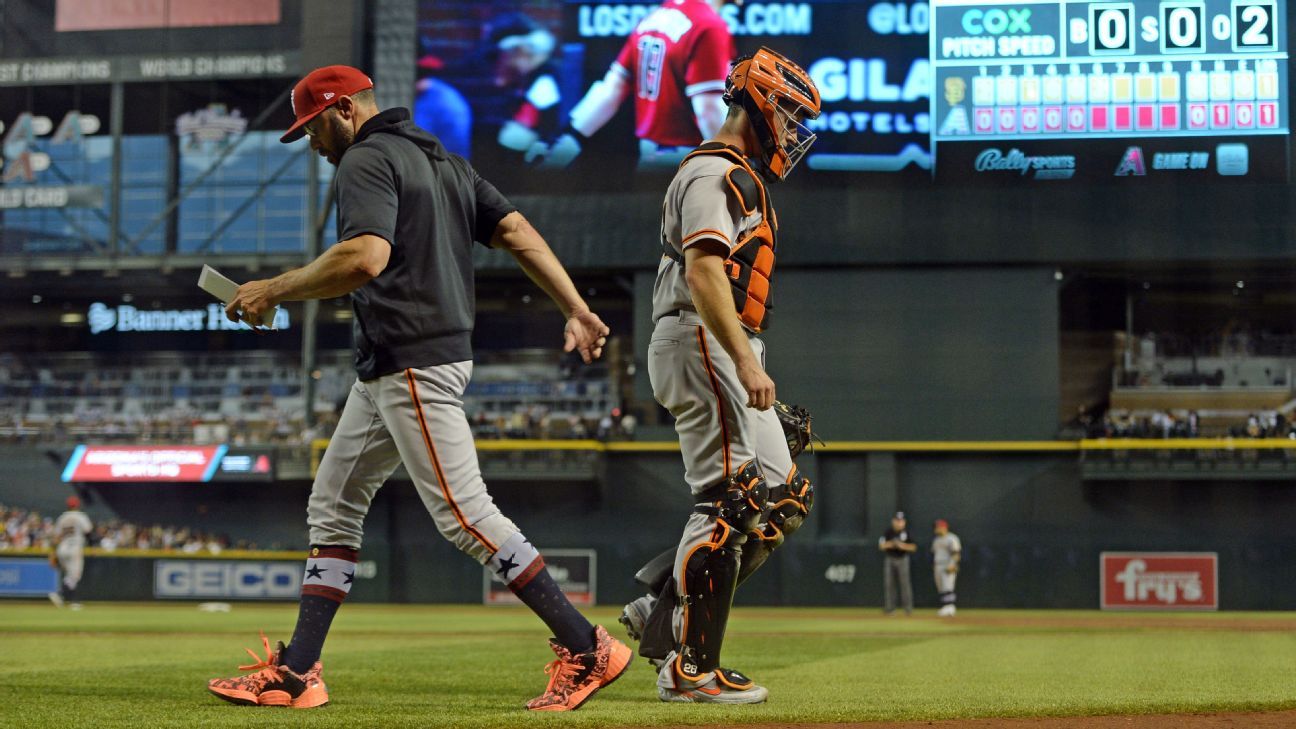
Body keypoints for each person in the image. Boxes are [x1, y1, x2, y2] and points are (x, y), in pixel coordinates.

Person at [206, 65, 629, 712]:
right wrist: (574, 304)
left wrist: (273, 287)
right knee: (334, 502)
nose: (313, 144)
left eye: (313, 126)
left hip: (413, 359)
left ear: (343, 110)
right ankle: (298, 671)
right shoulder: (444, 161)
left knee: (464, 516)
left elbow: (364, 257)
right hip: (390, 366)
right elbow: (516, 231)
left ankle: (586, 644)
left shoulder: (365, 159)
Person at [626, 47, 820, 704]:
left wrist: (748, 360)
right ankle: (690, 667)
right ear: (760, 101)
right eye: (789, 114)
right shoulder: (716, 173)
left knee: (781, 492)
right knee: (730, 502)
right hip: (704, 337)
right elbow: (706, 271)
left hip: (720, 342)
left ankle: (661, 601)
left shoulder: (736, 174)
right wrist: (741, 361)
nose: (792, 133)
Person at [535, 0, 734, 169]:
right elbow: (708, 111)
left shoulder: (653, 19)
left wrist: (568, 140)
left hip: (649, 161)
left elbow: (610, 90)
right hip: (691, 165)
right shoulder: (708, 25)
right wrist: (734, 161)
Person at [49, 495, 92, 609]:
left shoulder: (62, 517)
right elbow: (88, 532)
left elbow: (55, 537)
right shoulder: (80, 516)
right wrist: (91, 545)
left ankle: (73, 602)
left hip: (62, 549)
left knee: (70, 576)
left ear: (68, 505)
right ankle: (59, 594)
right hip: (74, 548)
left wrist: (53, 554)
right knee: (74, 576)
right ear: (77, 505)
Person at [879, 511, 916, 616]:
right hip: (890, 558)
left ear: (904, 522)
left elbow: (913, 547)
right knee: (889, 584)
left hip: (902, 558)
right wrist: (891, 544)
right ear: (893, 521)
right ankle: (890, 608)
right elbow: (881, 545)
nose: (899, 523)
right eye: (897, 520)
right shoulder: (888, 532)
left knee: (905, 584)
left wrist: (901, 546)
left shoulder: (907, 533)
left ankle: (908, 609)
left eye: (901, 521)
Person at [931, 518, 962, 617]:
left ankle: (950, 607)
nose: (935, 529)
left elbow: (956, 553)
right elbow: (934, 553)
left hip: (947, 564)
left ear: (943, 527)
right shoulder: (936, 540)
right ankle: (945, 607)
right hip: (938, 564)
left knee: (948, 586)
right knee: (941, 587)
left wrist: (953, 564)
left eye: (937, 527)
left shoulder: (952, 538)